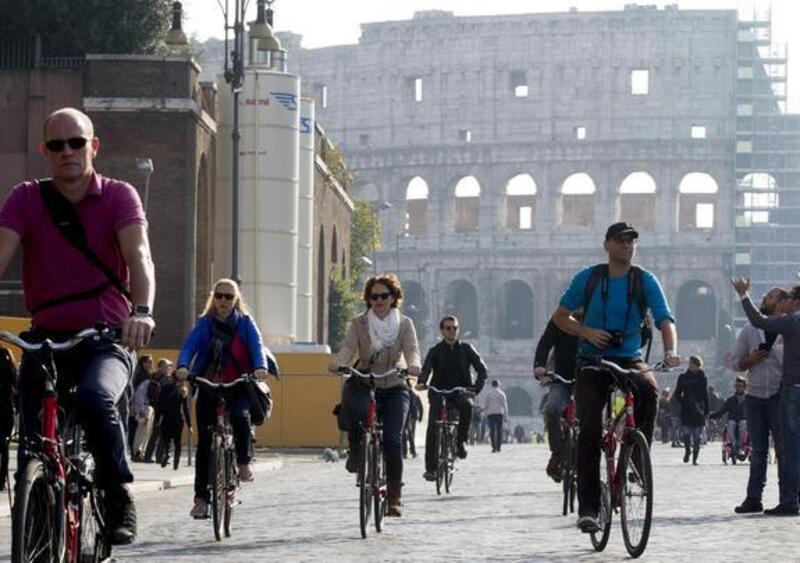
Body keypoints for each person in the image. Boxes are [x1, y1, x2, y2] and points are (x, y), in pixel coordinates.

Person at [0, 108, 155, 544]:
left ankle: (116, 491)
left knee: (94, 396)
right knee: (31, 438)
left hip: (105, 336)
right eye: (56, 145)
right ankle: (34, 525)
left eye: (76, 142)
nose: (67, 151)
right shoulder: (25, 198)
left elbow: (140, 257)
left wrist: (140, 310)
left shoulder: (119, 196)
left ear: (94, 146)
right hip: (45, 338)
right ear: (45, 152)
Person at [552, 222, 679, 533]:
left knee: (648, 389)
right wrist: (587, 332)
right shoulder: (589, 278)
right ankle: (590, 508)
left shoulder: (645, 280)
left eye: (631, 241)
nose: (626, 246)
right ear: (606, 244)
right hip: (592, 359)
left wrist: (671, 350)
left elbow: (665, 320)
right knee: (591, 430)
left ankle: (636, 455)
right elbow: (560, 316)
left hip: (630, 357)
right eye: (620, 241)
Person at [176, 279, 273, 519]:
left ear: (236, 300)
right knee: (205, 445)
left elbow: (257, 345)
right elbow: (190, 345)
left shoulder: (245, 323)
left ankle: (242, 462)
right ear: (213, 298)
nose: (223, 301)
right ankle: (201, 499)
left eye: (228, 297)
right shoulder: (205, 323)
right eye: (219, 296)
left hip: (238, 384)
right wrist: (183, 366)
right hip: (209, 385)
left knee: (240, 417)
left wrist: (260, 367)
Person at [329, 273, 421, 517]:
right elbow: (349, 347)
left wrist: (413, 365)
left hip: (394, 385)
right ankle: (356, 448)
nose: (379, 300)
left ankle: (394, 496)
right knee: (355, 410)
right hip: (365, 382)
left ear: (394, 298)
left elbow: (412, 350)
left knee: (392, 440)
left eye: (384, 295)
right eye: (373, 296)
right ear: (368, 299)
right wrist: (338, 362)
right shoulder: (359, 323)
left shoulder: (404, 324)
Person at [732, 278, 800, 516]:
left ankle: (789, 499)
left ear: (786, 303)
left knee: (787, 449)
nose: (765, 299)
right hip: (757, 395)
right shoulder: (752, 330)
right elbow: (735, 362)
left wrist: (743, 295)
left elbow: (758, 319)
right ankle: (757, 498)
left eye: (771, 297)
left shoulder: (789, 324)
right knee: (763, 450)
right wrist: (747, 361)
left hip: (784, 393)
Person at [417, 315, 488, 478]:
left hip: (461, 391)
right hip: (438, 391)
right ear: (442, 331)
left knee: (467, 406)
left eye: (455, 328)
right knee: (434, 426)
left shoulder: (467, 349)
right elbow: (426, 368)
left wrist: (475, 389)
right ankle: (431, 468)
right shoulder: (435, 351)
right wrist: (422, 381)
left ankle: (461, 441)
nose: (452, 331)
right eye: (448, 328)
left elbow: (482, 370)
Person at [533, 313, 580, 481]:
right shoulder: (560, 319)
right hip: (563, 378)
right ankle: (557, 453)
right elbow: (545, 343)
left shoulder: (596, 316)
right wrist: (539, 366)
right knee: (551, 409)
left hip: (589, 380)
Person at [674, 356, 709, 465]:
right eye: (690, 363)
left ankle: (695, 458)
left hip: (699, 410)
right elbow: (677, 393)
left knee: (697, 436)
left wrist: (707, 409)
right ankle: (687, 450)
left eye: (694, 364)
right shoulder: (683, 377)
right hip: (687, 410)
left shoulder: (702, 377)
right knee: (687, 434)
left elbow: (705, 394)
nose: (692, 366)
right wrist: (684, 402)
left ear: (698, 365)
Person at [159, 369, 192, 470]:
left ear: (172, 378)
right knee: (177, 442)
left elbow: (159, 405)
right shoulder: (183, 391)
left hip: (166, 418)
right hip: (178, 419)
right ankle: (176, 464)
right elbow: (186, 409)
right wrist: (189, 424)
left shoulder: (164, 388)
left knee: (166, 441)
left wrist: (157, 418)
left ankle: (167, 453)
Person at [710, 376, 748, 458]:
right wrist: (711, 416)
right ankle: (734, 445)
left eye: (740, 386)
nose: (738, 388)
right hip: (733, 420)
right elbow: (722, 411)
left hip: (744, 421)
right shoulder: (731, 400)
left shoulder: (749, 400)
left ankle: (740, 446)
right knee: (730, 423)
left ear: (744, 387)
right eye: (737, 386)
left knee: (743, 423)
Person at [143, 358, 172, 463]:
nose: (169, 368)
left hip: (156, 407)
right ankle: (158, 457)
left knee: (156, 433)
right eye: (167, 365)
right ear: (162, 366)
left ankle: (150, 456)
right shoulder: (162, 377)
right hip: (161, 408)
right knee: (160, 433)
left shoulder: (154, 376)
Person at [127, 354, 153, 453]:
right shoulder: (141, 374)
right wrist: (140, 408)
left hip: (141, 404)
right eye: (148, 361)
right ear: (143, 363)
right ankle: (135, 451)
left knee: (139, 428)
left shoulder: (148, 373)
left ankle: (137, 451)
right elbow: (139, 393)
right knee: (136, 428)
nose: (151, 364)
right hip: (137, 404)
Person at [0, 348, 17, 491]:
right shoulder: (7, 356)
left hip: (5, 409)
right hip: (6, 410)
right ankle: (1, 479)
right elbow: (16, 385)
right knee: (4, 446)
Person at [131, 370, 155, 461]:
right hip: (144, 408)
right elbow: (139, 396)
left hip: (149, 408)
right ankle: (137, 452)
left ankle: (141, 452)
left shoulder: (152, 384)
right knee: (141, 430)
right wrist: (141, 411)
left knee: (147, 432)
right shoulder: (146, 384)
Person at [483, 380, 508, 452]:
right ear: (498, 385)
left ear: (492, 385)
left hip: (490, 414)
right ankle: (499, 446)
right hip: (500, 413)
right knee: (499, 431)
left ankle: (494, 447)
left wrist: (484, 414)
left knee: (492, 431)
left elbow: (486, 406)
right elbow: (505, 406)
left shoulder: (488, 394)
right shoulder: (502, 394)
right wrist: (506, 416)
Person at [402, 379, 423, 459]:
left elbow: (419, 407)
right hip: (412, 416)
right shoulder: (414, 394)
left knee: (406, 433)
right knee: (410, 434)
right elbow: (420, 407)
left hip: (409, 415)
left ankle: (406, 452)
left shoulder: (406, 393)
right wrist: (420, 416)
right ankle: (411, 451)